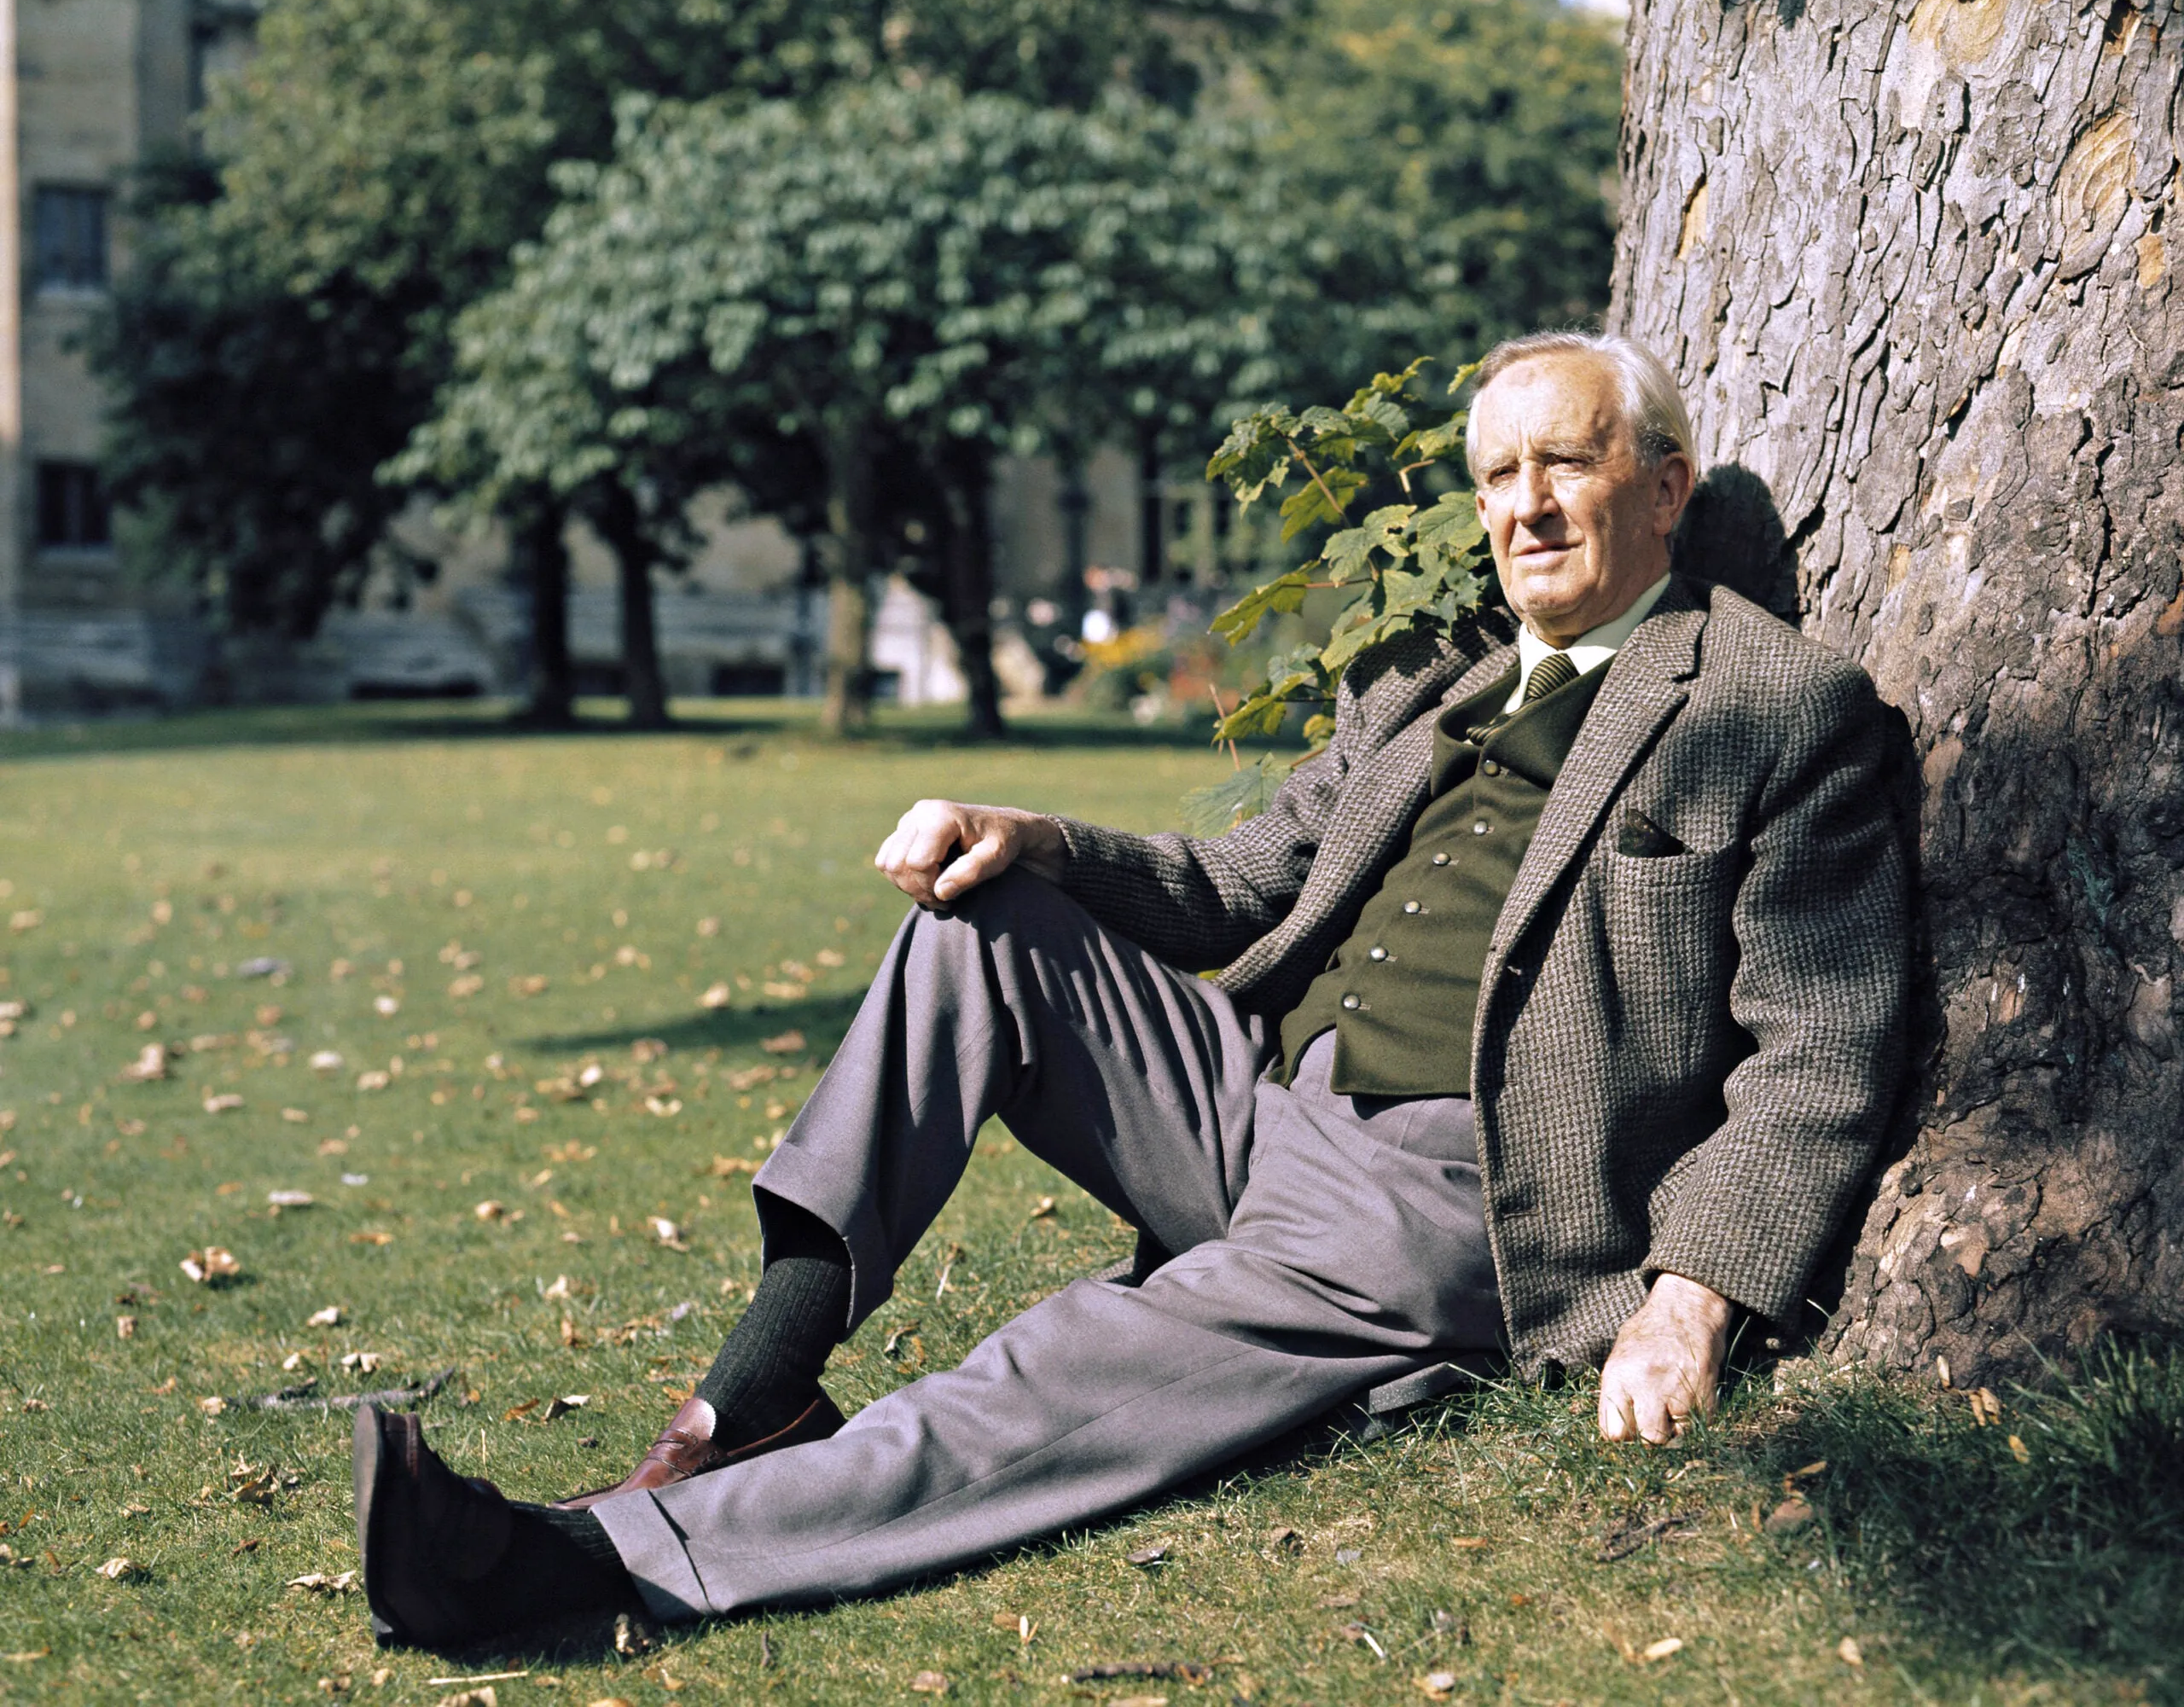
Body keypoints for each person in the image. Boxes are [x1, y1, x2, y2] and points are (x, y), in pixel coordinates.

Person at [350, 332, 1911, 1649]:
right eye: (1498, 475)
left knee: (1064, 1373)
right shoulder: (1436, 689)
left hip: (1443, 1200)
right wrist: (1030, 838)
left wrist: (1691, 1297)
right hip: (1251, 1101)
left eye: (1564, 464)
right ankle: (753, 1394)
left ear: (1664, 487)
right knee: (977, 926)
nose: (1526, 507)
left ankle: (586, 1566)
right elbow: (1238, 887)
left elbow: (1819, 1052)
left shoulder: (1777, 707)